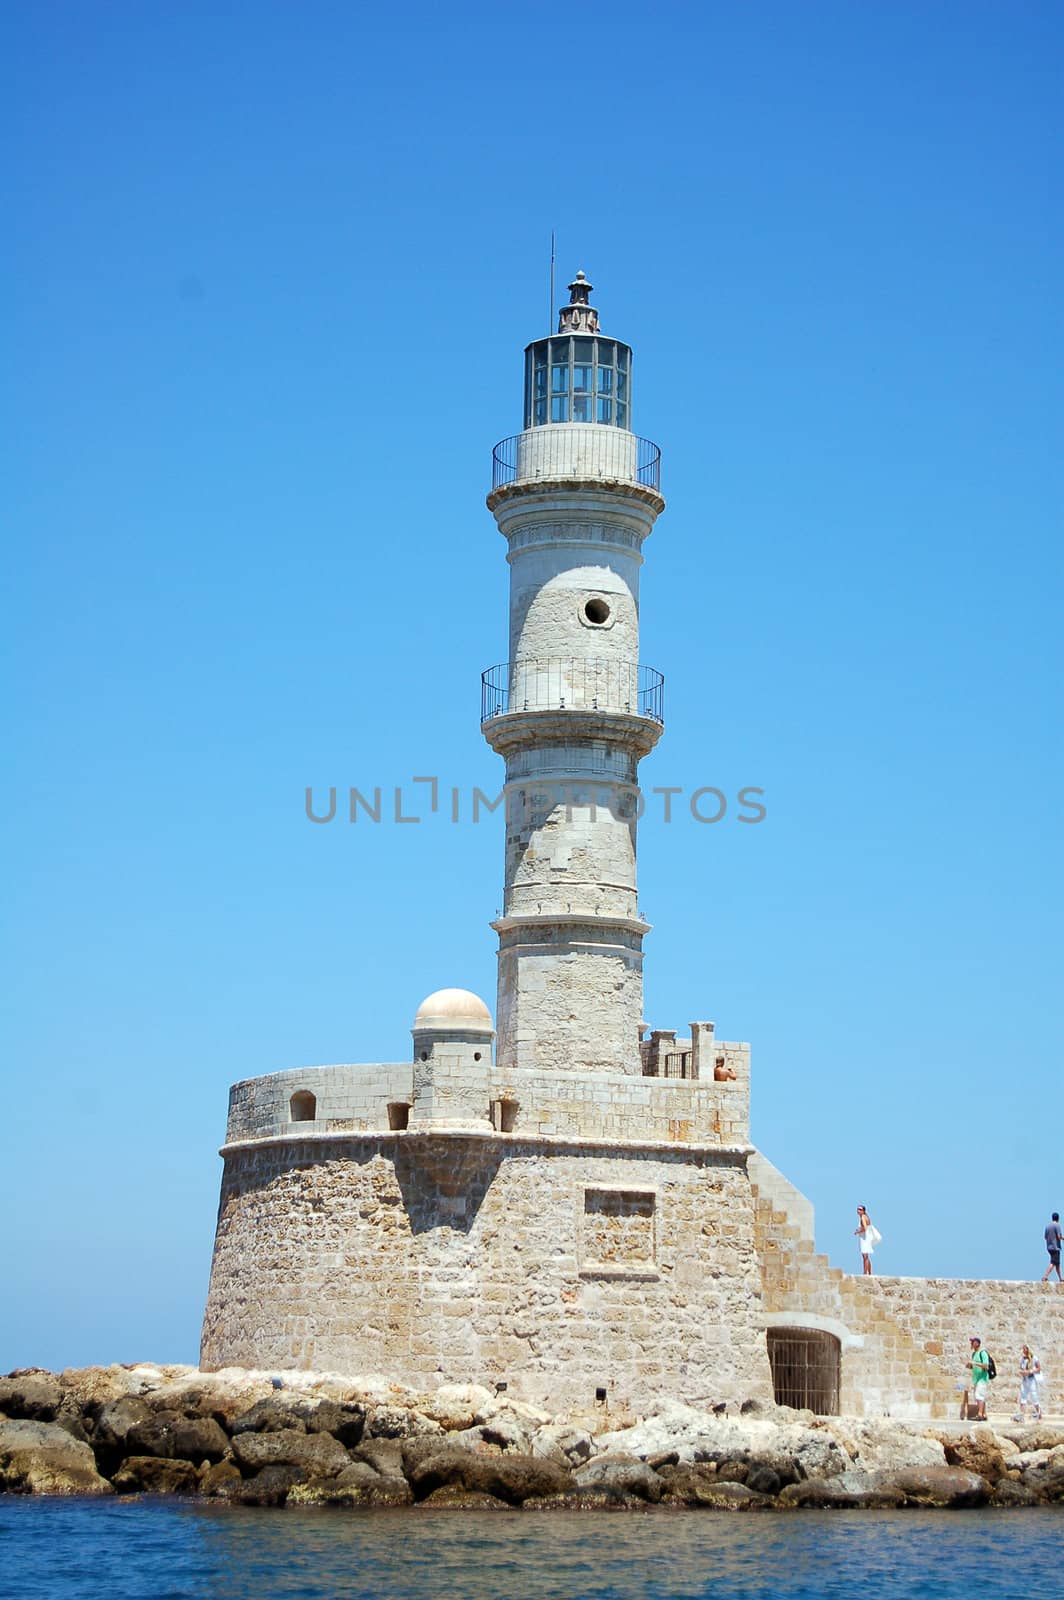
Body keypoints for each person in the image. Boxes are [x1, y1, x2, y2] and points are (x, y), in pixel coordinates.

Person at [1014, 1344, 1042, 1422]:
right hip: (1025, 1379)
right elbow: (1021, 1368)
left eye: (1025, 1349)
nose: (1024, 1350)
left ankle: (1039, 1414)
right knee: (1023, 1396)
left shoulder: (1034, 1358)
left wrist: (1030, 1371)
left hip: (1032, 1379)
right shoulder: (1022, 1359)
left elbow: (1039, 1369)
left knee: (1034, 1396)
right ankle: (1021, 1415)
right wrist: (1022, 1372)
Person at [968, 1336, 991, 1421]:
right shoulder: (974, 1354)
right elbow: (974, 1366)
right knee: (981, 1396)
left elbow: (986, 1365)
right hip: (976, 1379)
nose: (971, 1344)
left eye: (973, 1342)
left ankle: (980, 1414)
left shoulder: (983, 1353)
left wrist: (974, 1362)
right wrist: (970, 1366)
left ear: (977, 1343)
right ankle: (984, 1414)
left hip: (982, 1378)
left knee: (979, 1396)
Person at [854, 1205, 878, 1276]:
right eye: (858, 1209)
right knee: (866, 1256)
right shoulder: (865, 1217)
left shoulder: (863, 1218)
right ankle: (869, 1272)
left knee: (865, 1256)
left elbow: (865, 1228)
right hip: (866, 1237)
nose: (858, 1211)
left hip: (865, 1238)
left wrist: (858, 1231)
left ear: (863, 1211)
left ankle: (865, 1273)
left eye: (860, 1209)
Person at [1042, 1213, 1063, 1283]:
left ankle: (1060, 1278)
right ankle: (1045, 1277)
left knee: (1057, 1263)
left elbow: (1045, 1237)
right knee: (1053, 1262)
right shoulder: (1057, 1225)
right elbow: (1059, 1237)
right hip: (1055, 1247)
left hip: (1049, 1247)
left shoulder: (1047, 1226)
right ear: (1058, 1218)